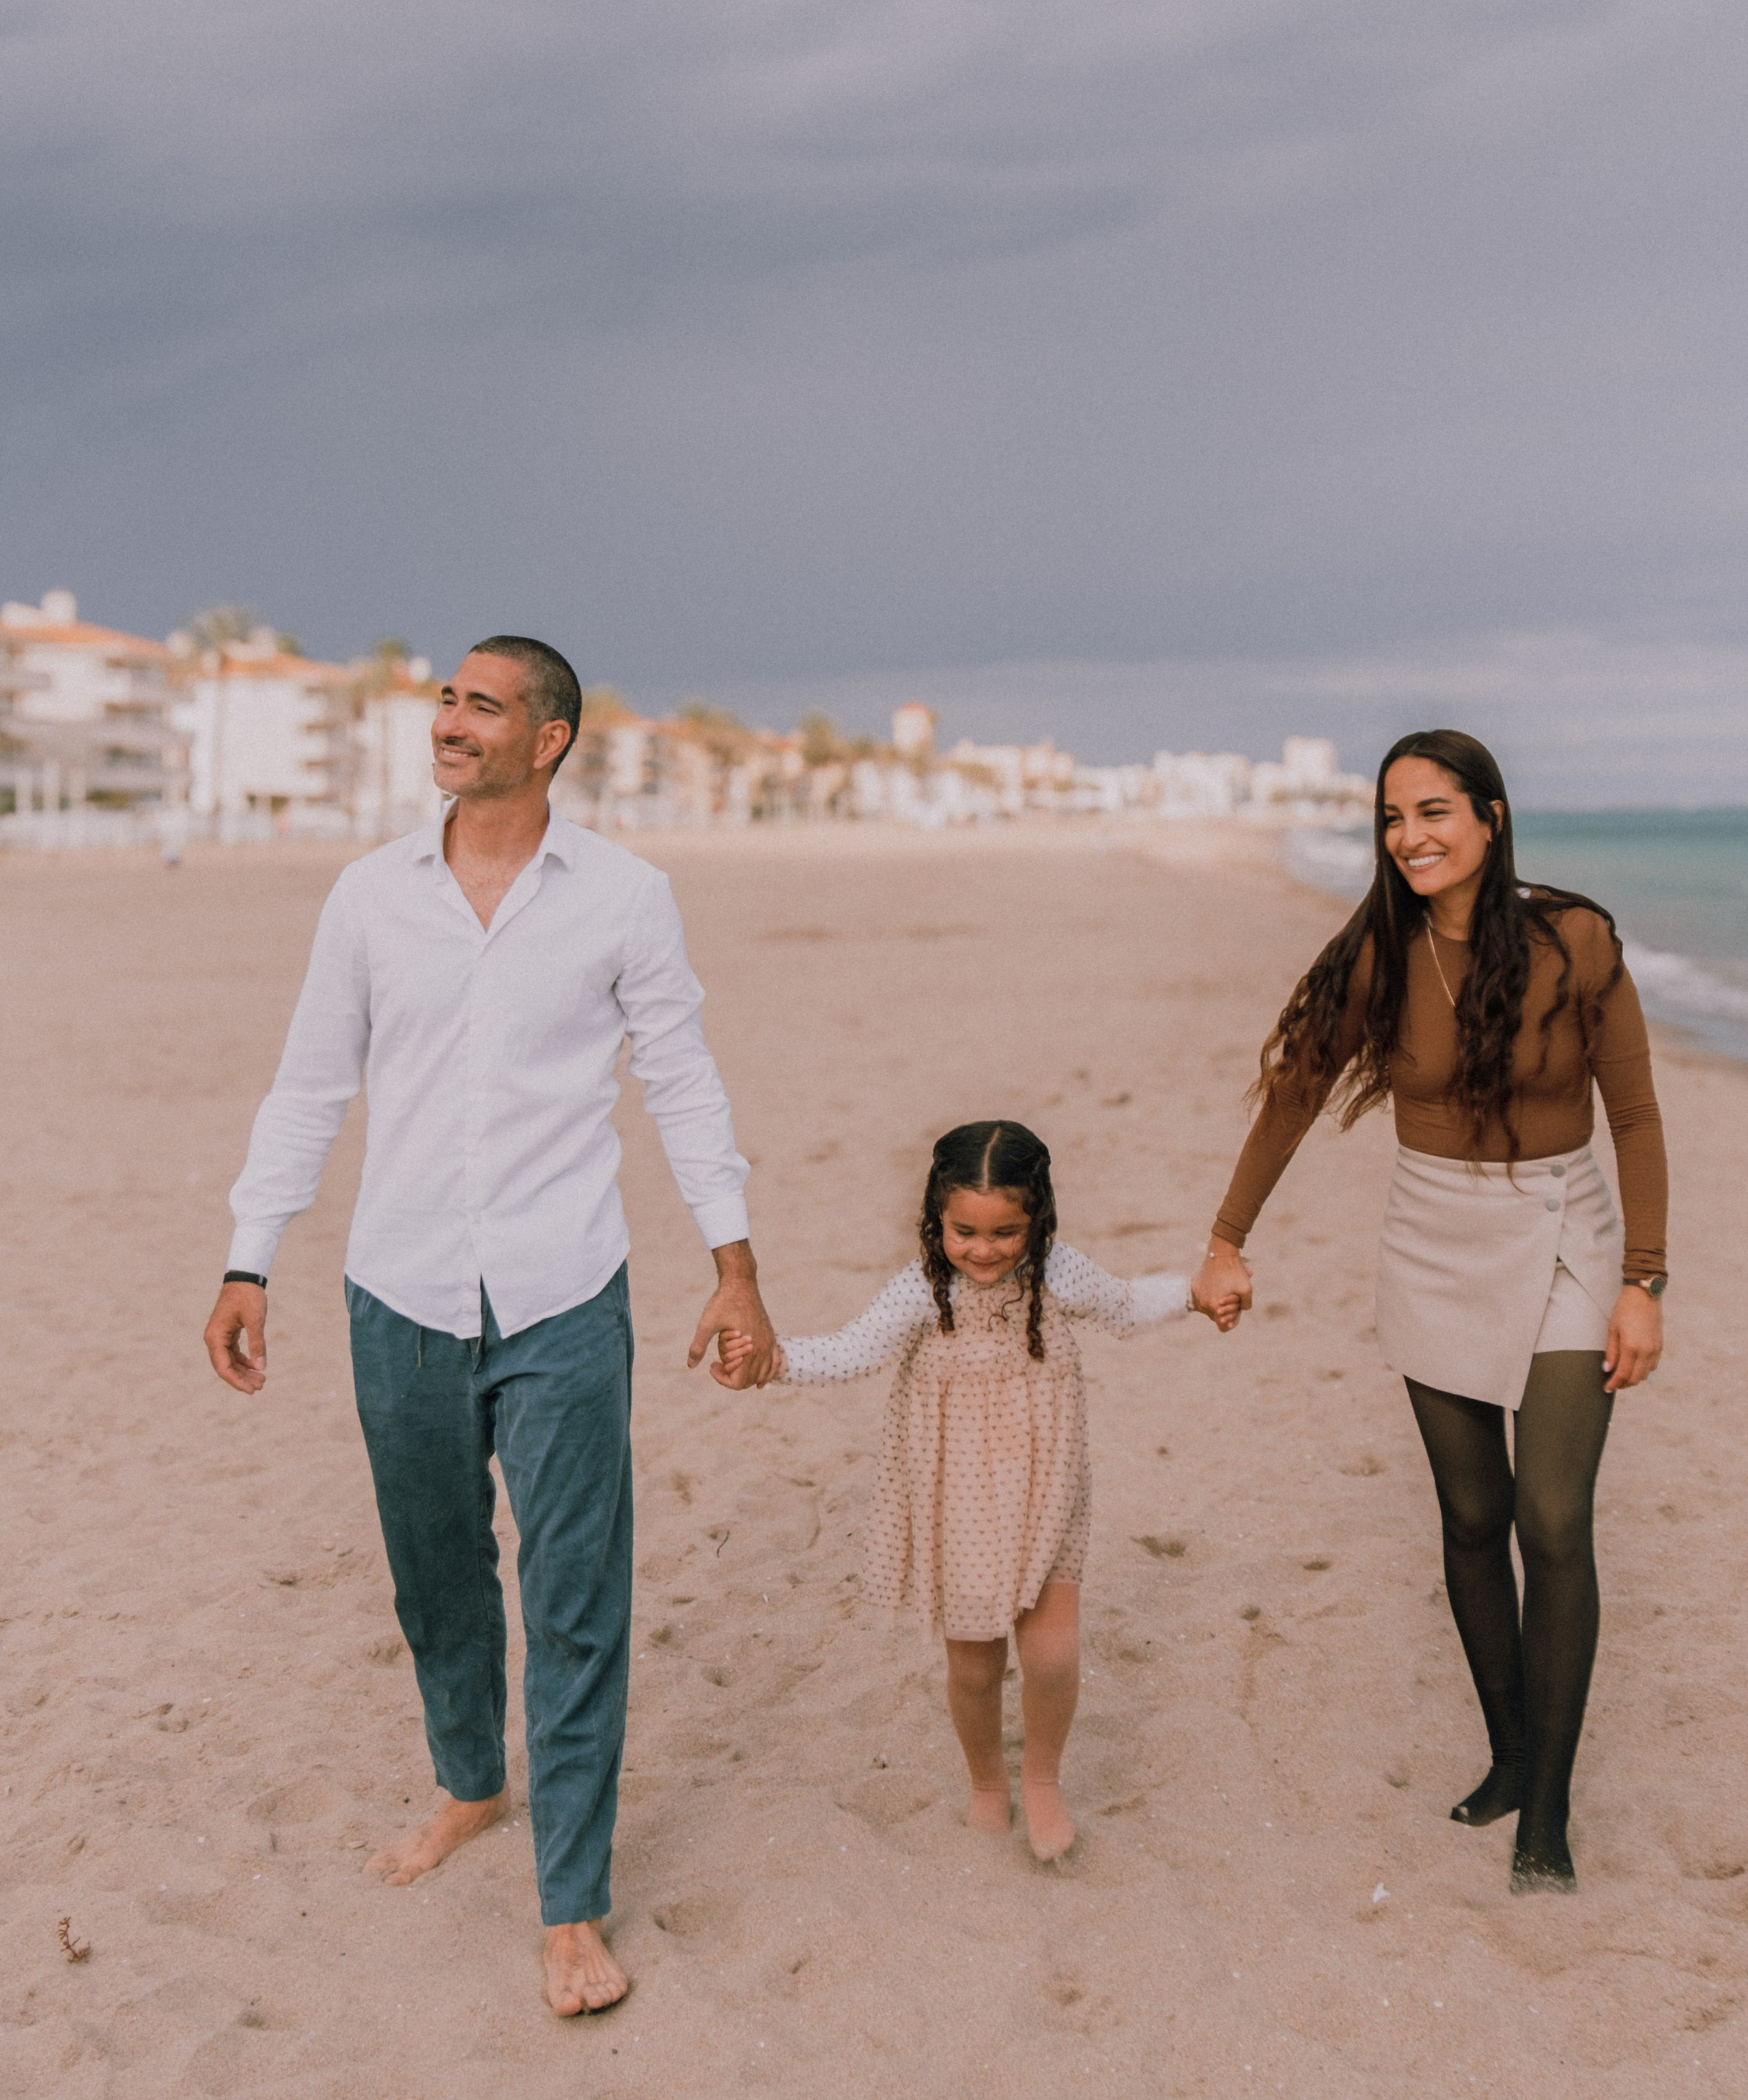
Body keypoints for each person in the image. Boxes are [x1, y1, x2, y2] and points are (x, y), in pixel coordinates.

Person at [202, 636, 776, 2014]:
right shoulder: (368, 895)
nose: (450, 722)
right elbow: (308, 1085)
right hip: (397, 1291)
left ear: (550, 736)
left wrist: (735, 1265)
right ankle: (470, 1783)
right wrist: (248, 1258)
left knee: (576, 1600)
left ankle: (571, 1906)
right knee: (436, 1576)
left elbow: (682, 1082)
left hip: (563, 1293)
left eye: (481, 705)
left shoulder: (625, 898)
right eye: (447, 700)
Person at [1192, 729, 1667, 1893]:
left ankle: (1546, 1812)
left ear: (1492, 818)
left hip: (1564, 1231)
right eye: (1393, 817)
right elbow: (1295, 1097)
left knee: (1551, 1518)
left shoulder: (1576, 939)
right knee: (1471, 1515)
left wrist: (1643, 1282)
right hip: (1433, 1236)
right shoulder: (1379, 956)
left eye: (1435, 812)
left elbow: (1637, 1116)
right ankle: (1511, 1755)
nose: (1411, 837)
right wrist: (1226, 1238)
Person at [721, 1121, 1217, 1861]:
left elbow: (1123, 1305)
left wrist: (1193, 1293)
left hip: (1046, 1487)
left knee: (1051, 1655)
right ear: (937, 1220)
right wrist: (774, 1360)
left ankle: (1042, 1779)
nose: (983, 1250)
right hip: (957, 1501)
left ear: (1038, 1221)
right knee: (976, 1666)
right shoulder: (923, 1290)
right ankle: (988, 1782)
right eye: (965, 1232)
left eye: (1005, 1232)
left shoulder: (1056, 1275)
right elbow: (855, 1349)